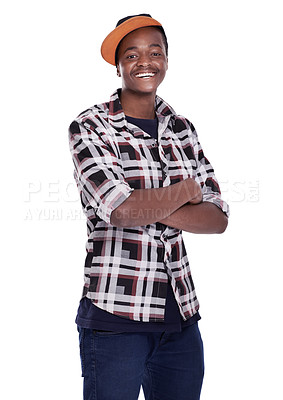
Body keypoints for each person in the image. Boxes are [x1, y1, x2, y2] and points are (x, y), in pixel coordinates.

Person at [68, 13, 229, 400]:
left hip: (181, 318)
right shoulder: (90, 126)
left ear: (167, 60)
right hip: (115, 317)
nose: (145, 62)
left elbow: (218, 218)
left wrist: (148, 205)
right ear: (119, 64)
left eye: (155, 52)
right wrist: (187, 188)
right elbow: (121, 210)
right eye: (133, 54)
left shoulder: (182, 128)